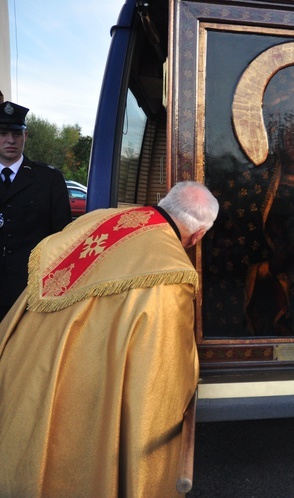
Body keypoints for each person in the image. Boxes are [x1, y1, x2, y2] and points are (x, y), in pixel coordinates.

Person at [0, 181, 219, 497]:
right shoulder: (171, 271)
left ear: (164, 201)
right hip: (80, 381)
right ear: (197, 236)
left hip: (26, 360)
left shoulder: (102, 219)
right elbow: (162, 372)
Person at [0, 101, 71, 319]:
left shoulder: (48, 179)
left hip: (29, 292)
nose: (11, 140)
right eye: (3, 133)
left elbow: (62, 238)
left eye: (17, 133)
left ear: (26, 136)